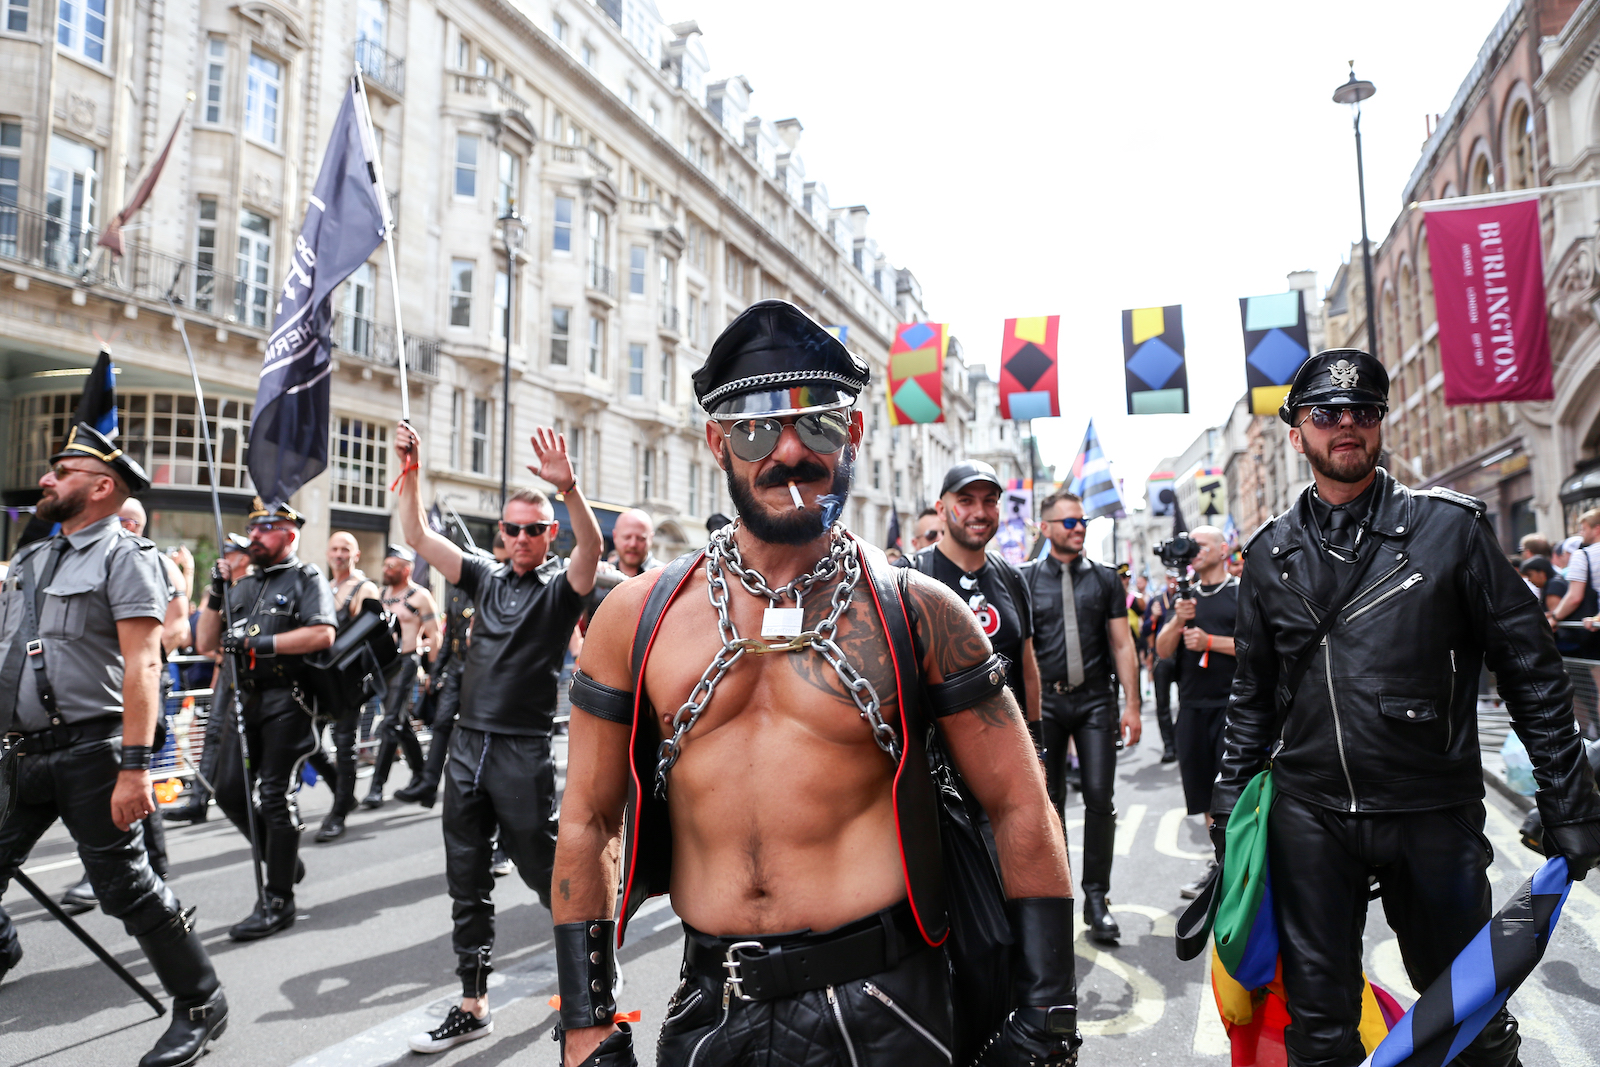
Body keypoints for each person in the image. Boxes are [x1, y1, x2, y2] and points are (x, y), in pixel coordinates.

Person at [555, 300, 1079, 1067]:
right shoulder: (636, 617)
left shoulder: (921, 612)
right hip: (712, 1008)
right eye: (757, 430)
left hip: (888, 1008)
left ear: (856, 433)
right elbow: (590, 820)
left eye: (820, 425)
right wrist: (584, 1021)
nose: (790, 452)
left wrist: (1048, 1018)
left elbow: (1019, 803)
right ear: (718, 442)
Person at [1213, 349, 1600, 1067]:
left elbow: (1531, 670)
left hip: (1430, 807)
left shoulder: (1449, 530)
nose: (1347, 425)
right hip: (1310, 813)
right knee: (1318, 1027)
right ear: (1297, 432)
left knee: (1472, 1015)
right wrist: (1226, 809)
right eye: (1326, 414)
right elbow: (1252, 694)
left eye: (1363, 411)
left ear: (1380, 424)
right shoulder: (1269, 553)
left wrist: (1570, 801)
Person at [0, 422, 227, 1066]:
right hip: (24, 751)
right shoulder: (32, 560)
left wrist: (136, 769)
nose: (46, 479)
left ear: (100, 487)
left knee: (124, 886)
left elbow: (143, 667)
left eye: (61, 471)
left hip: (93, 754)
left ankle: (201, 1001)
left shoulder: (127, 557)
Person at [393, 423, 602, 1055]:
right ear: (500, 533)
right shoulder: (484, 577)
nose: (519, 539)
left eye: (533, 530)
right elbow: (417, 537)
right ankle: (472, 1002)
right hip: (466, 747)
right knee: (466, 877)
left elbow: (591, 549)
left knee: (549, 876)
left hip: (521, 751)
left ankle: (589, 990)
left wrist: (569, 490)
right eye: (511, 529)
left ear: (549, 536)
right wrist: (412, 473)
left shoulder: (564, 587)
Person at [196, 499, 336, 941]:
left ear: (289, 534)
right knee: (229, 793)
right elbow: (204, 643)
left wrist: (263, 644)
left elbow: (322, 633)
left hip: (288, 701)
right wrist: (216, 591)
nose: (254, 535)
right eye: (253, 528)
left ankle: (278, 902)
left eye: (266, 528)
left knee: (275, 796)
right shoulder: (241, 585)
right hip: (246, 700)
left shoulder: (305, 579)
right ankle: (283, 859)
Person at [1021, 489, 1142, 945]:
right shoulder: (1025, 578)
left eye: (1081, 521)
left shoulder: (1107, 579)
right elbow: (1023, 648)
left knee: (1099, 799)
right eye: (1068, 522)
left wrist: (1131, 704)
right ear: (1046, 528)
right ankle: (1058, 899)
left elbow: (1122, 643)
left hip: (1094, 701)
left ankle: (1096, 899)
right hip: (1045, 704)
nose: (1078, 528)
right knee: (1049, 807)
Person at [59, 496, 190, 914]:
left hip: (136, 686)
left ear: (131, 524)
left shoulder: (156, 563)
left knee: (124, 771)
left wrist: (135, 660)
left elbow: (177, 629)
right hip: (102, 689)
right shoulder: (94, 561)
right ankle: (148, 866)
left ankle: (112, 868)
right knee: (120, 774)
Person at [912, 460, 1040, 715]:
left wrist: (1037, 743)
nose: (980, 512)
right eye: (966, 501)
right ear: (941, 509)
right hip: (937, 750)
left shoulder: (1012, 578)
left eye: (990, 501)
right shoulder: (910, 576)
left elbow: (1028, 670)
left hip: (1011, 747)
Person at [1152, 525, 1237, 899]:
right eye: (1192, 545)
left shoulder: (1242, 592)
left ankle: (1240, 869)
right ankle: (1221, 863)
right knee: (1204, 795)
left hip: (1234, 709)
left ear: (1223, 548)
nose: (1195, 550)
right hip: (1192, 709)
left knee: (1233, 794)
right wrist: (1178, 619)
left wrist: (1210, 642)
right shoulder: (1184, 598)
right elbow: (1163, 650)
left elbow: (1261, 647)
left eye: (1203, 544)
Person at [163, 534, 251, 826]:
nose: (222, 556)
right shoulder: (225, 591)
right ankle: (198, 801)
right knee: (212, 735)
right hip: (228, 675)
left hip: (256, 678)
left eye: (230, 551)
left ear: (243, 558)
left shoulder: (255, 586)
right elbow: (203, 642)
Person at [312, 532, 379, 842]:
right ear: (328, 554)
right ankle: (344, 793)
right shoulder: (322, 587)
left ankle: (338, 812)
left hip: (347, 684)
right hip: (317, 679)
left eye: (345, 550)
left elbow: (368, 637)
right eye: (334, 549)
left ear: (356, 555)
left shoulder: (364, 589)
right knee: (308, 743)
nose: (339, 554)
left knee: (344, 747)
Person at [361, 544, 439, 808]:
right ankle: (421, 773)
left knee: (391, 721)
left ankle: (376, 787)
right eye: (385, 565)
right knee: (401, 723)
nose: (386, 570)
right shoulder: (381, 594)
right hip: (381, 666)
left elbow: (435, 635)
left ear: (406, 569)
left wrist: (432, 672)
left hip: (406, 662)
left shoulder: (420, 596)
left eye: (391, 566)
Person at [395, 565, 479, 809]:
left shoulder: (487, 589)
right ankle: (428, 785)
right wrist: (435, 671)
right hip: (455, 667)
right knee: (441, 722)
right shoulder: (455, 592)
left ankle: (470, 787)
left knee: (472, 729)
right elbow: (449, 636)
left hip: (479, 670)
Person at [1143, 575, 1180, 763]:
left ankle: (1181, 739)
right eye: (1170, 577)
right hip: (1162, 659)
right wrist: (1153, 617)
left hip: (1183, 658)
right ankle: (1169, 745)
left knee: (1186, 703)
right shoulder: (1157, 601)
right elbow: (1145, 630)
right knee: (1162, 704)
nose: (1174, 581)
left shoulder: (1187, 596)